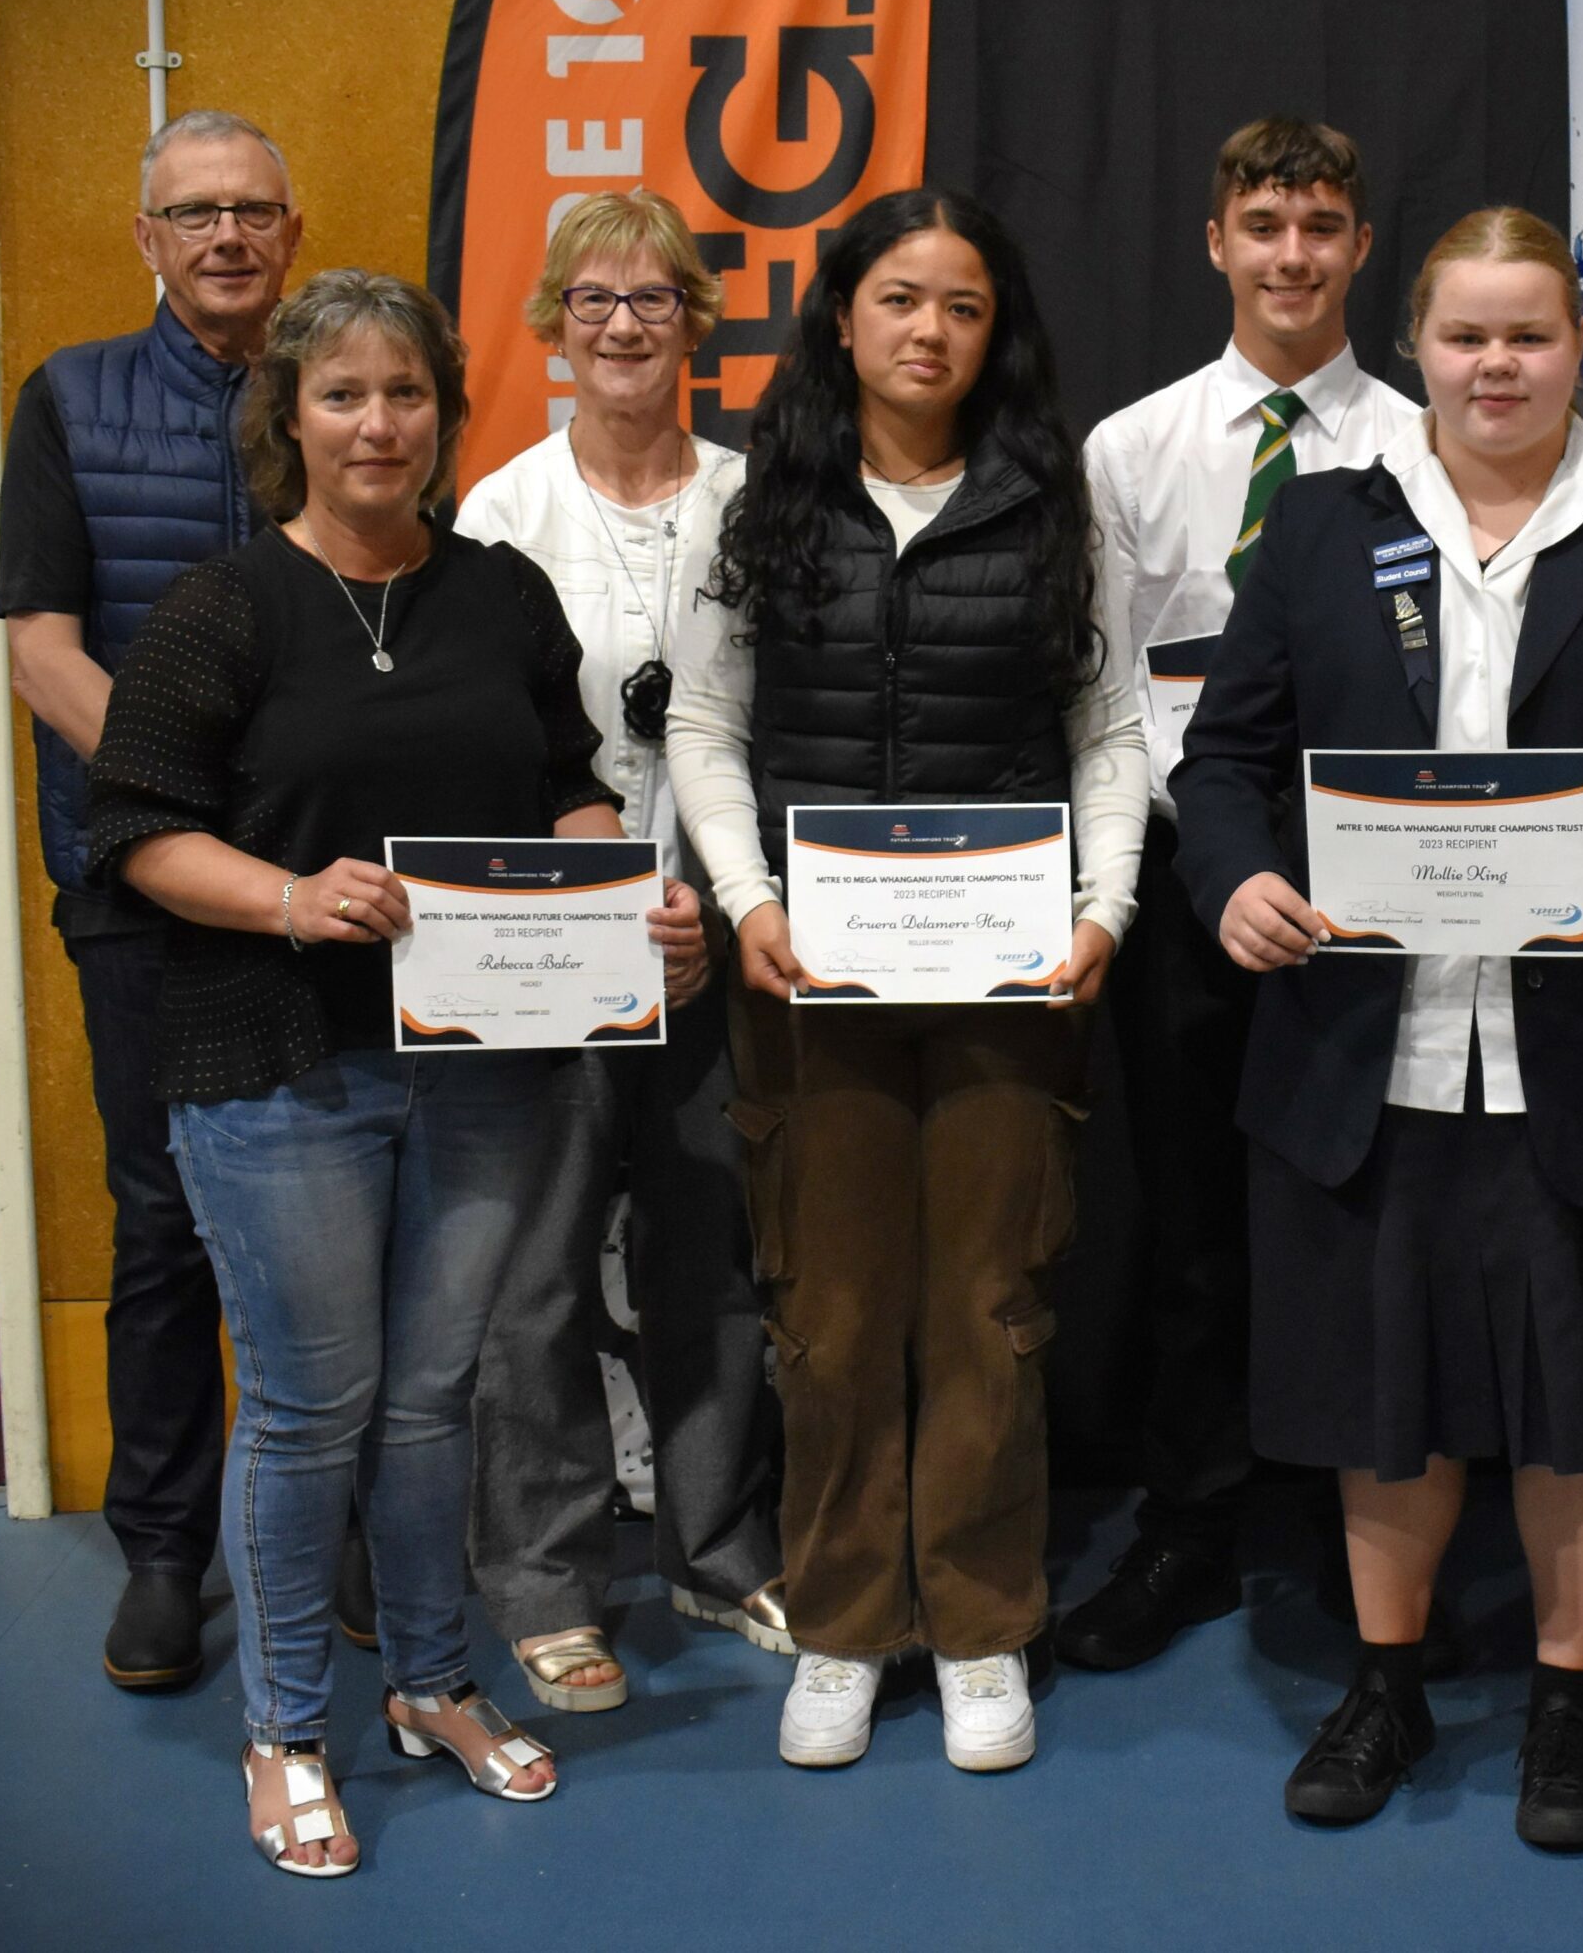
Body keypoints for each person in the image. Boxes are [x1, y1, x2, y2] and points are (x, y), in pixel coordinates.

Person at [1172, 206, 1583, 1848]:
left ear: (1581, 344)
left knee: (1578, 1400)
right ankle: (1385, 1686)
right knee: (1385, 1394)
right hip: (1363, 1052)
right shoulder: (1320, 531)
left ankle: (1566, 1707)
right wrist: (1234, 879)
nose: (1497, 365)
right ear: (1418, 346)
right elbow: (1225, 761)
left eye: (1530, 334)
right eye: (1466, 336)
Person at [87, 271, 629, 1875]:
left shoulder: (502, 593)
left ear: (445, 417)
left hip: (480, 1064)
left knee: (429, 1400)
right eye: (343, 396)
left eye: (407, 395)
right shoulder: (224, 608)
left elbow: (569, 786)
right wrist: (290, 897)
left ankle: (436, 1684)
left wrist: (619, 897)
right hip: (277, 1068)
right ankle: (288, 1725)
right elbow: (136, 831)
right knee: (313, 1411)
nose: (378, 423)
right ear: (290, 421)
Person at [668, 188, 1146, 1773]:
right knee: (833, 1303)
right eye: (898, 298)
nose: (928, 330)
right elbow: (706, 729)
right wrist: (745, 898)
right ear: (844, 316)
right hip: (809, 967)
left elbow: (1113, 729)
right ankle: (847, 1620)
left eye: (960, 304)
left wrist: (1102, 908)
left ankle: (985, 1617)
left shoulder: (1059, 499)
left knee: (994, 1298)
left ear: (994, 330)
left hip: (1012, 966)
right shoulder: (754, 502)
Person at [1057, 117, 1421, 1673]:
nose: (1291, 254)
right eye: (1263, 223)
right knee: (1195, 1218)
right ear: (1215, 241)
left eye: (1322, 225)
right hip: (1202, 883)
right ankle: (1196, 1518)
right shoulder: (1132, 450)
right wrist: (1205, 867)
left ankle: (1366, 1529)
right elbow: (1109, 696)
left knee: (1367, 1211)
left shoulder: (1422, 439)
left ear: (1360, 247)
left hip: (1382, 892)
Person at [456, 189, 790, 1716]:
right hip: (549, 947)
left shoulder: (762, 498)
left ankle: (718, 1554)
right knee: (533, 1279)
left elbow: (787, 728)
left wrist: (717, 919)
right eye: (591, 299)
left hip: (725, 938)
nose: (623, 324)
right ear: (551, 324)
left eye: (653, 298)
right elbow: (474, 750)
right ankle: (547, 1584)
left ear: (696, 323)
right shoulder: (499, 516)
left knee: (707, 1260)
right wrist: (596, 903)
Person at [0, 109, 310, 1691]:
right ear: (148, 240)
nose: (227, 237)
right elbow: (42, 647)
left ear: (293, 234)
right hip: (140, 882)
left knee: (337, 1204)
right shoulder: (68, 398)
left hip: (327, 888)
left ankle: (343, 1545)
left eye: (254, 209)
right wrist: (191, 794)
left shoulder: (353, 383)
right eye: (195, 214)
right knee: (167, 1219)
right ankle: (168, 1555)